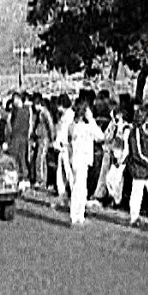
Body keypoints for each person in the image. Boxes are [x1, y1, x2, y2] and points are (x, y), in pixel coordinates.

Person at [68, 97, 104, 226]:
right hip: (82, 159)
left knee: (80, 187)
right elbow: (101, 136)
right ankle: (76, 215)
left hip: (76, 159)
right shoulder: (87, 127)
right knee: (80, 188)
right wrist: (92, 119)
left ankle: (78, 214)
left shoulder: (73, 126)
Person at [7, 92, 31, 191]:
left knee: (18, 158)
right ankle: (21, 178)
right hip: (20, 137)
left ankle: (22, 178)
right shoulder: (24, 111)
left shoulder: (20, 111)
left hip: (18, 137)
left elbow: (11, 125)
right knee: (20, 158)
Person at [53, 94, 75, 204]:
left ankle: (72, 193)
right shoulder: (64, 115)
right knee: (60, 171)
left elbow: (66, 132)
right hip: (61, 146)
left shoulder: (70, 115)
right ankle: (62, 193)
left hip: (66, 146)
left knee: (68, 171)